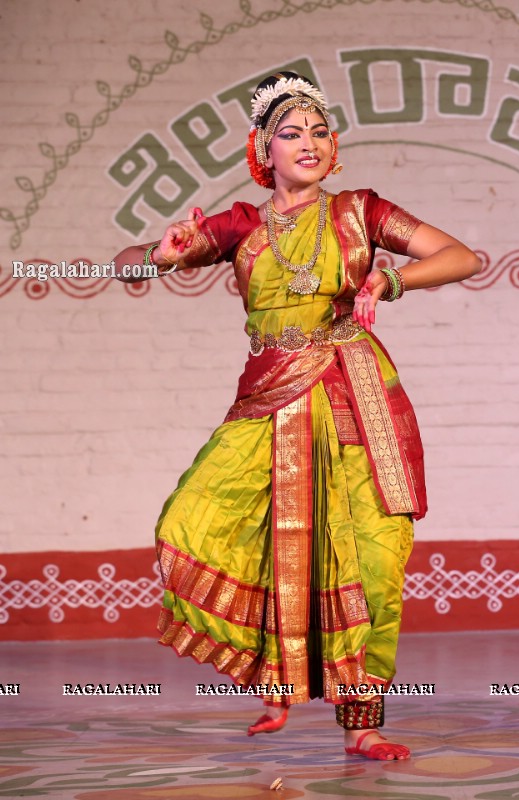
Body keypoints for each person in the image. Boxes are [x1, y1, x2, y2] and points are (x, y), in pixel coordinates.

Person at [113, 71, 481, 760]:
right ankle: (274, 679)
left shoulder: (362, 212)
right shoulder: (240, 225)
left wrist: (389, 278)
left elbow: (461, 255)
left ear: (333, 147)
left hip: (355, 392)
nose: (308, 143)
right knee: (197, 522)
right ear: (263, 151)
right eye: (291, 133)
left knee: (374, 557)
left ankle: (364, 724)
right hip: (271, 394)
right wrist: (157, 257)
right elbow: (131, 264)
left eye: (319, 131)